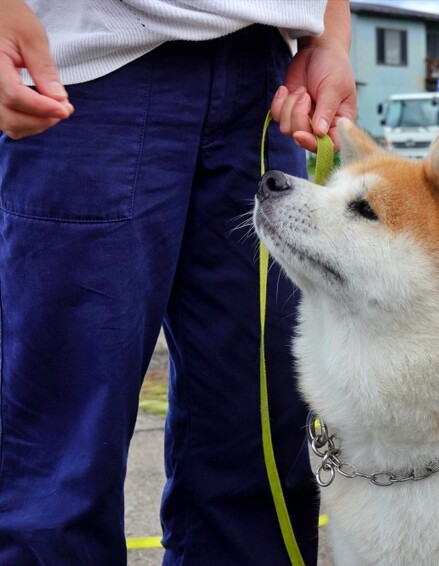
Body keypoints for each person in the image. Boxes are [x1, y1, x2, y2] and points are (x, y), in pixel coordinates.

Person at [0, 1, 356, 564]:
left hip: (266, 82)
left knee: (259, 466)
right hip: (85, 71)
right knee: (58, 466)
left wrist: (328, 40)